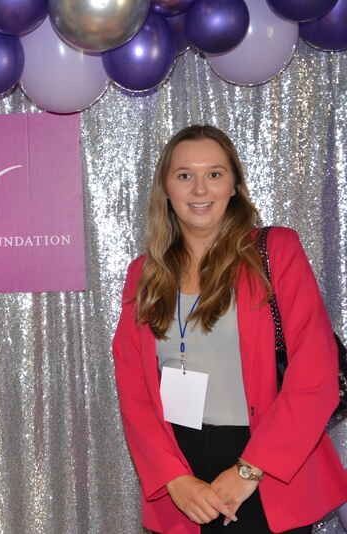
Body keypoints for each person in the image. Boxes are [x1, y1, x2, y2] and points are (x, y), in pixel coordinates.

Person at [112, 125, 347, 533]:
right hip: (181, 474)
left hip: (267, 469)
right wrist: (173, 478)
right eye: (185, 175)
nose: (200, 189)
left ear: (234, 185)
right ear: (166, 187)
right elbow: (134, 390)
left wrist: (248, 471)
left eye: (215, 174)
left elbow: (316, 375)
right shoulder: (143, 274)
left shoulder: (276, 252)